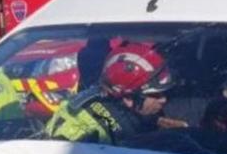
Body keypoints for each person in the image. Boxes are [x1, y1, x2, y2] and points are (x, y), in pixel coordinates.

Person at [46, 42, 174, 144]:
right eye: (155, 95)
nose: (163, 100)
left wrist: (157, 121)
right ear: (128, 100)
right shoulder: (99, 136)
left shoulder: (96, 97)